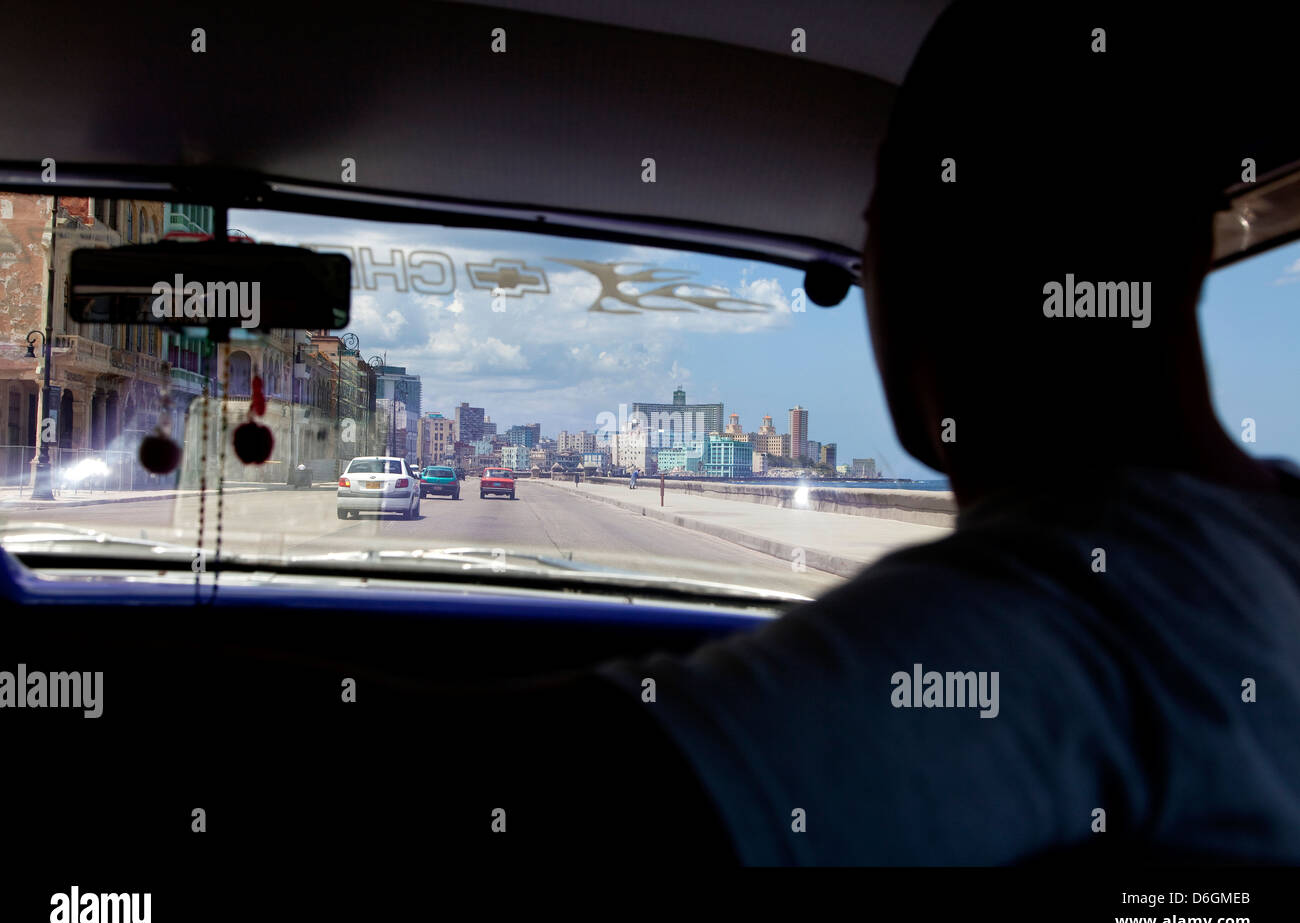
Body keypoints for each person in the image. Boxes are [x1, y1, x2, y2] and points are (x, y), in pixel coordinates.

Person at [436, 0, 1300, 865]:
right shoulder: (1245, 562)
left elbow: (540, 794)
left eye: (881, 225)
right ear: (1192, 248)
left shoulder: (1055, 614)